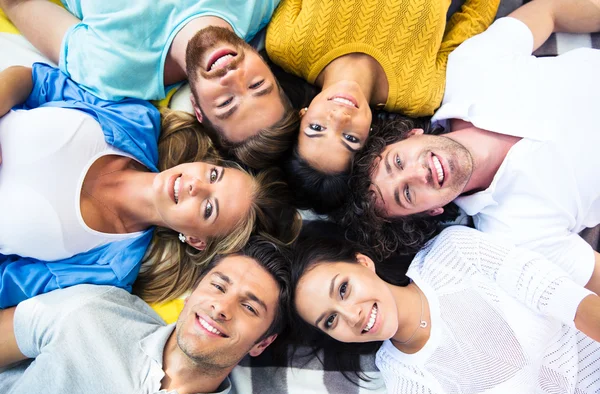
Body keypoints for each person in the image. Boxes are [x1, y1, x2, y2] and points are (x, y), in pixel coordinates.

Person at [341, 0, 600, 292]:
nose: (417, 174)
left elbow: (549, 11)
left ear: (410, 135)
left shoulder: (469, 68)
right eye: (407, 194)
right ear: (432, 212)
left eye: (398, 162)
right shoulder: (513, 237)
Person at [0, 63, 301, 308]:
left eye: (209, 208)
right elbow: (31, 80)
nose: (195, 186)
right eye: (213, 176)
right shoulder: (136, 121)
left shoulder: (108, 271)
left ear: (196, 239)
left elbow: (6, 285)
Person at [290, 224, 600, 394]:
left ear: (363, 263)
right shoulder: (408, 386)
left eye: (343, 289)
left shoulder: (453, 254)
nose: (351, 315)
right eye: (331, 320)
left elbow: (562, 295)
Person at [0, 0, 299, 169]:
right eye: (257, 84)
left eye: (225, 103)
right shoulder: (259, 4)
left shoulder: (112, 70)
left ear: (197, 108)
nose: (232, 77)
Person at [265, 0, 499, 212]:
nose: (339, 117)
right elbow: (474, 18)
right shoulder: (419, 94)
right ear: (370, 138)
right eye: (350, 138)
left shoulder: (286, 45)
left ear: (302, 115)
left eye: (316, 128)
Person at [0, 237, 291, 394]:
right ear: (191, 295)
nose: (222, 308)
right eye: (217, 286)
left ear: (262, 343)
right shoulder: (94, 310)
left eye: (249, 308)